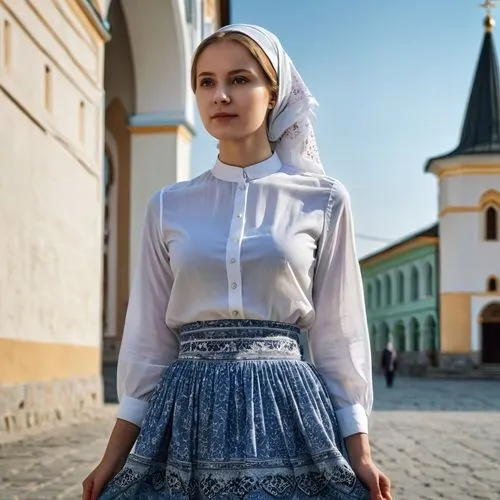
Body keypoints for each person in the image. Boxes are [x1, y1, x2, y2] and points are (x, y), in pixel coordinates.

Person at [82, 24, 392, 500]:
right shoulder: (168, 206)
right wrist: (112, 459)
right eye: (206, 82)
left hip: (288, 410)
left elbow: (339, 333)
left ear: (274, 94)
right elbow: (147, 339)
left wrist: (362, 454)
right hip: (186, 415)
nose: (220, 95)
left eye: (240, 79)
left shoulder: (323, 200)